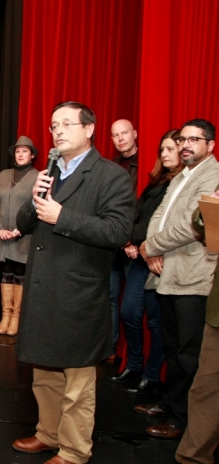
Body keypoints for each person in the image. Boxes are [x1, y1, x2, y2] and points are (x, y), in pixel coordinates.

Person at [11, 101, 134, 464]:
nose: (58, 131)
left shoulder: (111, 175)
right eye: (54, 125)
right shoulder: (49, 170)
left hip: (78, 291)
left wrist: (62, 216)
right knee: (44, 372)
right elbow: (24, 222)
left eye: (67, 124)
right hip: (42, 286)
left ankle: (74, 450)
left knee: (77, 381)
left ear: (89, 129)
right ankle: (48, 434)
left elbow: (117, 231)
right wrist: (34, 199)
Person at [136, 119, 219, 439]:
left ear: (210, 145)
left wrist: (150, 246)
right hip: (168, 273)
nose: (186, 145)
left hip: (194, 277)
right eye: (183, 139)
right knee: (171, 348)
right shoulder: (182, 175)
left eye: (194, 140)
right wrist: (151, 248)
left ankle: (183, 421)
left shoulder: (212, 175)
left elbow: (191, 225)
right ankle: (169, 404)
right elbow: (159, 215)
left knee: (188, 355)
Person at [110, 130, 181, 393]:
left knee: (155, 321)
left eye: (171, 149)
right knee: (129, 313)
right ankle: (134, 364)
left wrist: (138, 242)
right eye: (162, 149)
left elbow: (164, 224)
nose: (165, 154)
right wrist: (128, 241)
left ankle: (151, 375)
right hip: (140, 257)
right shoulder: (156, 181)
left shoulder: (179, 185)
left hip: (160, 260)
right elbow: (137, 214)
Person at [176, 192, 219, 463]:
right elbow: (201, 225)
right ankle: (192, 458)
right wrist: (210, 207)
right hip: (218, 312)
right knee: (205, 389)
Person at [0, 136, 39, 335]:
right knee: (5, 272)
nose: (20, 154)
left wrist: (22, 229)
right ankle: (5, 315)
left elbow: (37, 207)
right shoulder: (3, 175)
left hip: (23, 236)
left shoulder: (37, 176)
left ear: (32, 155)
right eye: (18, 151)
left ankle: (16, 317)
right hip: (3, 236)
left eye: (24, 151)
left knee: (19, 272)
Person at [109, 119, 140, 359]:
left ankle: (133, 359)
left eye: (125, 133)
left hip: (134, 245)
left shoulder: (146, 164)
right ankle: (110, 348)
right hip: (112, 244)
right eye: (116, 135)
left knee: (132, 308)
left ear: (135, 134)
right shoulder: (112, 166)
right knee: (109, 298)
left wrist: (129, 240)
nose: (120, 138)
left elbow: (140, 208)